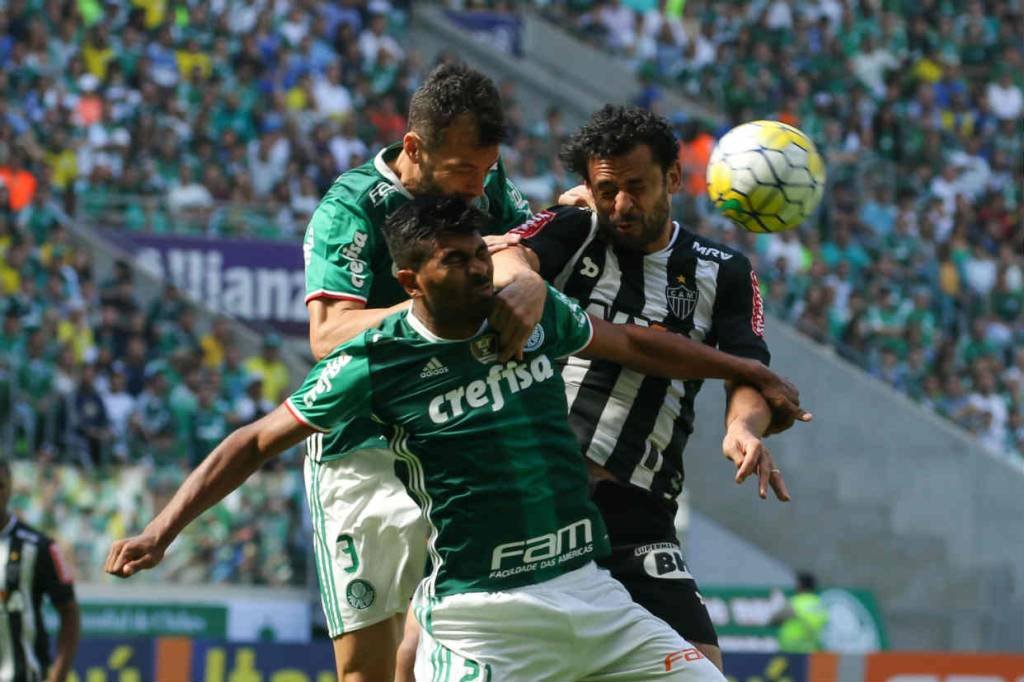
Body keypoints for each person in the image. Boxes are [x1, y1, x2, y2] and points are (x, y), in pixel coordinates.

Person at [105, 196, 807, 680]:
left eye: (479, 254)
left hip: (591, 592)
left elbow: (634, 344)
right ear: (410, 279)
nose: (478, 269)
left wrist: (744, 369)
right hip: (482, 617)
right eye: (456, 261)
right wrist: (162, 530)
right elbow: (255, 442)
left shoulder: (529, 317)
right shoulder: (374, 364)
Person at [491, 105, 805, 671]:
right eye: (606, 189)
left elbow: (748, 371)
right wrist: (525, 279)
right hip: (542, 488)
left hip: (640, 508)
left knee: (702, 665)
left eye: (636, 187)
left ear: (673, 179)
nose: (620, 206)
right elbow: (506, 254)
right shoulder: (578, 229)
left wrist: (741, 427)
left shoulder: (723, 270)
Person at [299, 62, 539, 680]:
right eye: (464, 172)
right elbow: (328, 335)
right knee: (366, 671)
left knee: (463, 640)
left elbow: (519, 241)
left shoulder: (480, 181)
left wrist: (528, 274)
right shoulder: (350, 208)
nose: (477, 189)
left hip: (454, 437)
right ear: (414, 149)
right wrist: (433, 306)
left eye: (487, 171)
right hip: (363, 451)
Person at [0, 460, 80, 682]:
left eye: (0, 485)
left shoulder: (38, 546)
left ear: (10, 488)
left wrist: (58, 677)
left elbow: (70, 612)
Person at [773, 572, 829, 652]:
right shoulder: (819, 603)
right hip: (812, 646)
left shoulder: (796, 601)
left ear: (800, 586)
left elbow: (776, 618)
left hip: (792, 646)